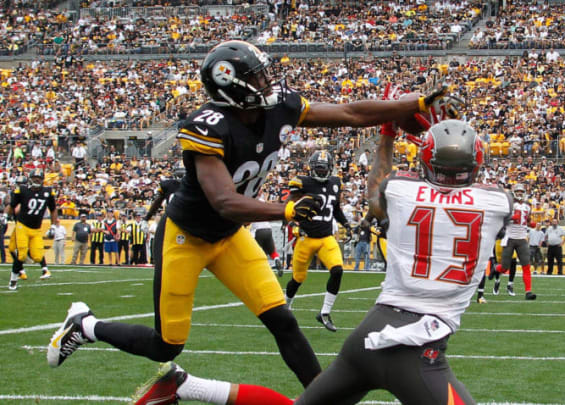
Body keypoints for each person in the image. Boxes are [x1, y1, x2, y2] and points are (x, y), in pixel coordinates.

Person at [48, 40, 459, 399]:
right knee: (167, 344)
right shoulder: (206, 127)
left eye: (265, 76)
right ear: (233, 86)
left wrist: (416, 104)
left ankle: (321, 399)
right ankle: (85, 326)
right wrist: (284, 210)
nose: (268, 84)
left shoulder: (280, 107)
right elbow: (225, 200)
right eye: (257, 79)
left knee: (282, 320)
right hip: (187, 237)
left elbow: (350, 112)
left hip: (229, 236)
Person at [130, 118, 503, 405]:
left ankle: (187, 385)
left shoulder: (400, 189)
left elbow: (378, 187)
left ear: (425, 160)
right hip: (418, 347)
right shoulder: (498, 203)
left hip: (368, 336)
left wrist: (389, 133)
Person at [285, 149, 351, 331]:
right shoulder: (302, 182)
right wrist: (292, 222)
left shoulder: (336, 183)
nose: (321, 172)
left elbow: (336, 209)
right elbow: (289, 205)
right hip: (306, 238)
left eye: (324, 169)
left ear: (330, 169)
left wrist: (346, 224)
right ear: (312, 168)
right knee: (297, 279)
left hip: (326, 238)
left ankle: (324, 313)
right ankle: (286, 308)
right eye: (319, 169)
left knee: (337, 270)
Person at [7, 168, 57, 290]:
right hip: (22, 226)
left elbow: (53, 210)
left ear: (42, 180)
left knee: (38, 256)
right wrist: (5, 216)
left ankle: (42, 269)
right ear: (30, 179)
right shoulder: (22, 190)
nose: (37, 180)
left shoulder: (48, 192)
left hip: (36, 229)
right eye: (35, 178)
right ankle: (13, 279)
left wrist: (53, 225)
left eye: (39, 178)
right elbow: (12, 206)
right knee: (22, 254)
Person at [494, 183, 536, 300]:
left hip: (522, 238)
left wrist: (530, 224)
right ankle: (495, 269)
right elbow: (501, 218)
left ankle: (528, 292)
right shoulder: (509, 205)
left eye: (521, 192)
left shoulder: (527, 206)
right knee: (504, 267)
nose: (519, 194)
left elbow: (527, 220)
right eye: (518, 191)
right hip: (510, 237)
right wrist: (512, 217)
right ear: (514, 192)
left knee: (526, 265)